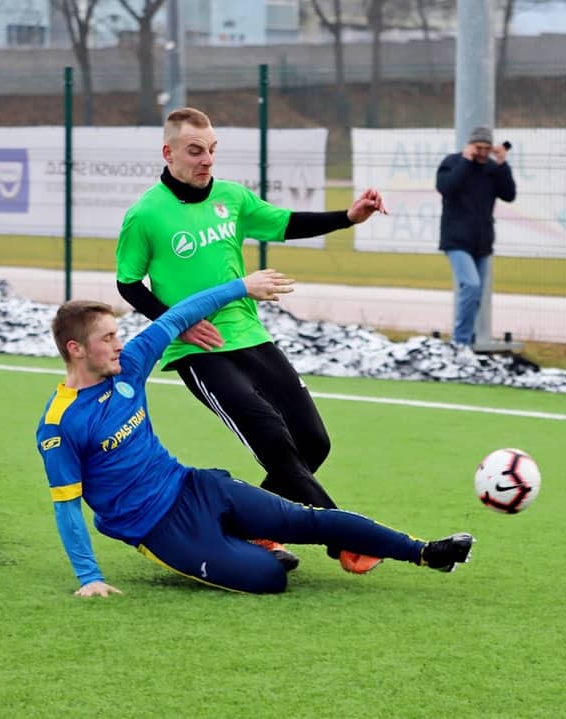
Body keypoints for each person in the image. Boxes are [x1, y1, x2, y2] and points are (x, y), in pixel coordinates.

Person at [35, 269, 477, 596]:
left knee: (307, 520)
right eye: (107, 338)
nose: (119, 344)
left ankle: (425, 552)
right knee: (270, 577)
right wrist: (90, 577)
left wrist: (242, 286)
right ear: (76, 349)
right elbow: (67, 507)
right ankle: (240, 539)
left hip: (195, 486)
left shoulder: (128, 365)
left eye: (117, 335)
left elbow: (181, 314)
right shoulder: (60, 424)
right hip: (163, 529)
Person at [115, 107, 390, 574]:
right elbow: (128, 284)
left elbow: (285, 222)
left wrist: (348, 216)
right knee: (275, 444)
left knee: (313, 443)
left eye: (211, 150)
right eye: (195, 151)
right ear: (169, 153)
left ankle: (244, 526)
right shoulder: (145, 214)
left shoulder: (232, 197)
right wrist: (179, 324)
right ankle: (344, 537)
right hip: (200, 350)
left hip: (251, 336)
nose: (206, 160)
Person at [435, 126, 517, 349]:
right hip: (456, 240)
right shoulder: (453, 163)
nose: (482, 153)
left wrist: (502, 164)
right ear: (470, 146)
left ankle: (467, 338)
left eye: (486, 149)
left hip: (482, 242)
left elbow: (509, 194)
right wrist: (465, 161)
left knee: (477, 294)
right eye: (478, 148)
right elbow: (446, 187)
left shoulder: (492, 169)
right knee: (471, 285)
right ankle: (460, 342)